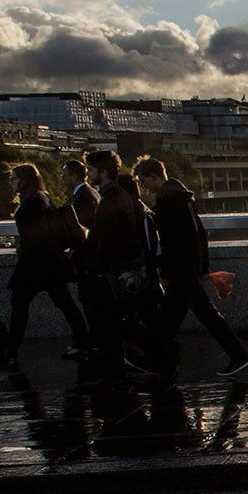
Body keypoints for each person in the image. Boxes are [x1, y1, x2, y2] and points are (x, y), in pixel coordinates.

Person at [139, 156, 248, 378]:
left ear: (154, 176)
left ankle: (239, 357)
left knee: (205, 315)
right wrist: (202, 265)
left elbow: (172, 240)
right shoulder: (183, 196)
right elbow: (199, 234)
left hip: (180, 269)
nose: (144, 187)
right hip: (186, 267)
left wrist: (158, 263)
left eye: (144, 181)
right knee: (169, 319)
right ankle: (154, 359)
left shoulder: (167, 199)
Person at [81, 155, 158, 381]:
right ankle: (147, 356)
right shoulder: (119, 196)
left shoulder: (110, 200)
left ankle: (123, 369)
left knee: (112, 323)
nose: (88, 174)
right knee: (118, 321)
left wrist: (94, 263)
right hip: (120, 266)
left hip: (114, 269)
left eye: (91, 169)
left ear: (103, 173)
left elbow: (107, 239)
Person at [4, 163, 90, 359]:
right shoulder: (41, 198)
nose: (11, 183)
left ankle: (11, 349)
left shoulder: (32, 202)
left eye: (14, 178)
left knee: (20, 304)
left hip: (37, 264)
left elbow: (36, 235)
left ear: (24, 181)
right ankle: (83, 341)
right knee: (63, 303)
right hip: (49, 263)